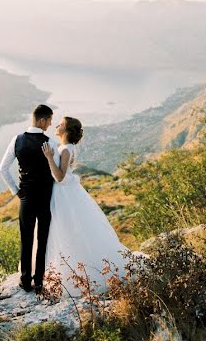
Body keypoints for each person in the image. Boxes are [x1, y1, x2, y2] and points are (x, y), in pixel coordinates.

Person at [40, 116, 129, 296]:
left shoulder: (65, 150)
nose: (56, 125)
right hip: (69, 193)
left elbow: (60, 177)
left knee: (64, 230)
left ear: (66, 130)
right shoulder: (68, 148)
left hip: (63, 195)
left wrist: (49, 157)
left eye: (61, 124)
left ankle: (73, 274)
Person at [0, 104, 55, 293]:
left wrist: (16, 191)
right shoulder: (50, 143)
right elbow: (56, 173)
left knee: (26, 239)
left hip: (26, 198)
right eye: (49, 120)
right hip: (45, 198)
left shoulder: (17, 140)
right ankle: (39, 281)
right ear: (41, 120)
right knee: (42, 240)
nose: (50, 124)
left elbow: (2, 169)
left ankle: (25, 280)